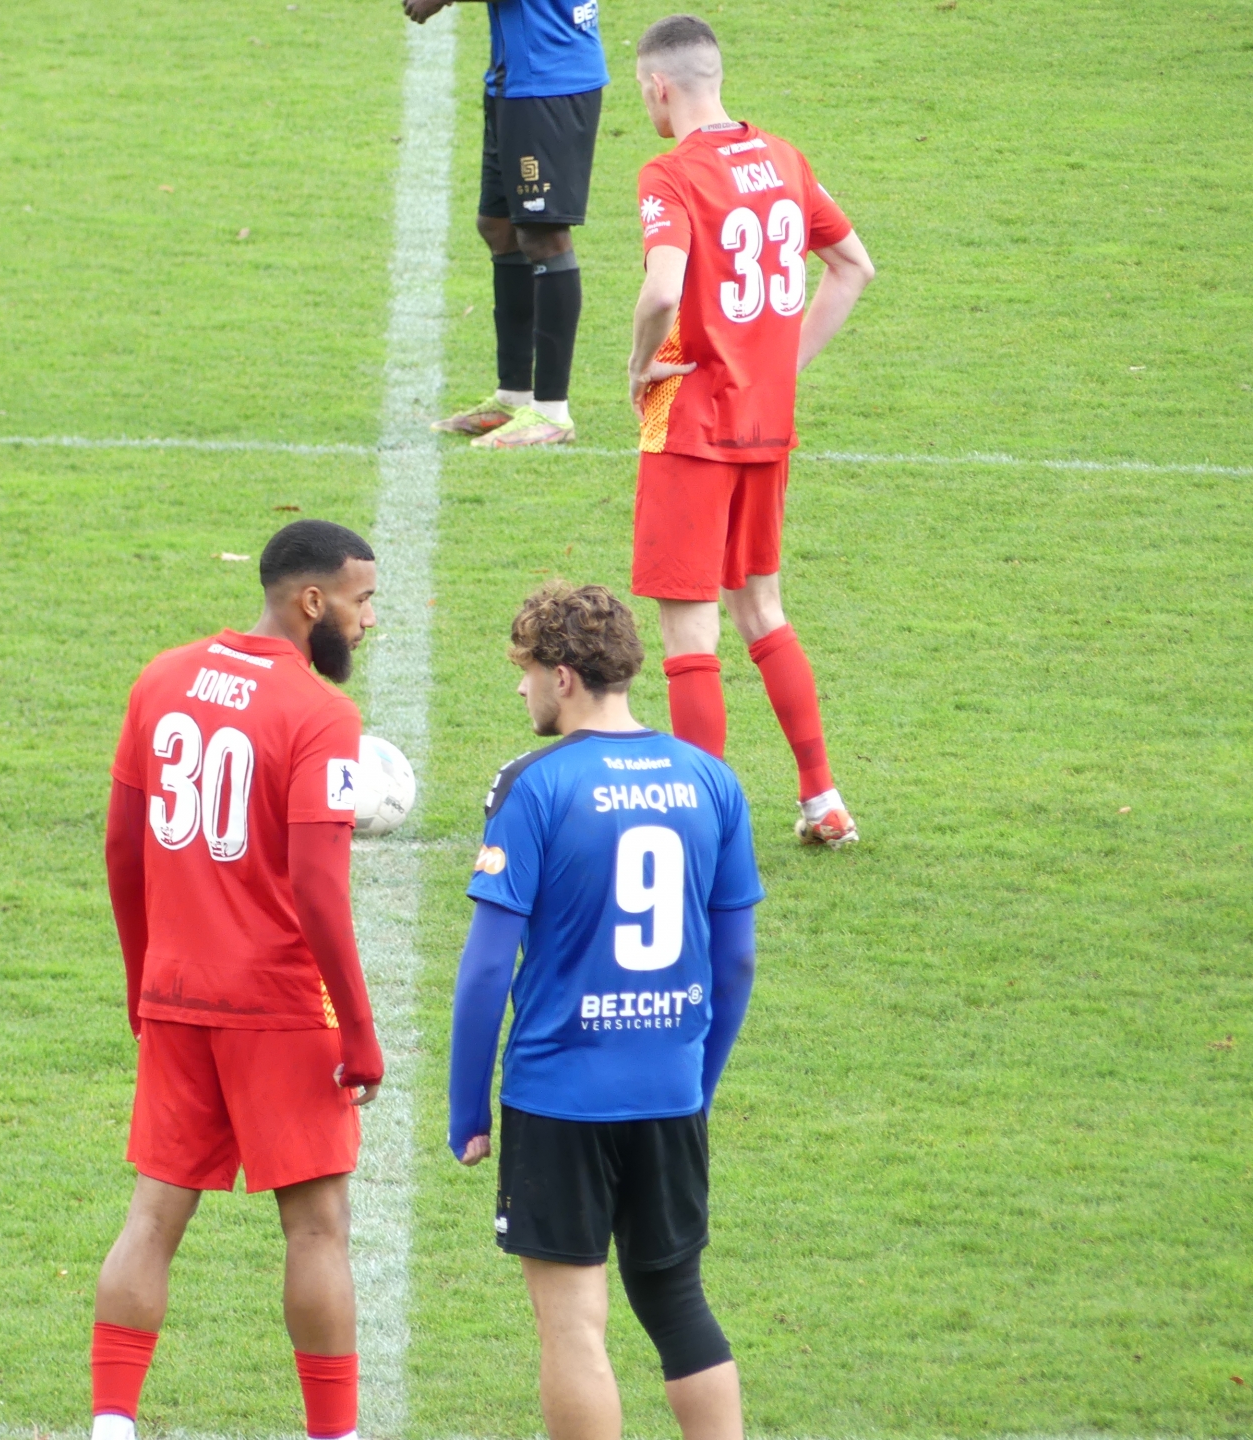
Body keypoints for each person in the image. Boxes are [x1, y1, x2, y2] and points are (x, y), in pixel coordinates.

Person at [91, 520, 387, 1440]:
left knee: (151, 1218)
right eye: (362, 601)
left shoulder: (162, 678)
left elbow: (122, 848)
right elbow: (317, 890)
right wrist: (359, 1033)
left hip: (177, 994)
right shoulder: (322, 715)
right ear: (312, 601)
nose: (368, 620)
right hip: (280, 1007)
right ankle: (333, 1435)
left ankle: (111, 1425)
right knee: (317, 1229)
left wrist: (143, 980)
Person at [449, 582, 762, 1440]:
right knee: (679, 1302)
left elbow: (486, 968)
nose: (521, 691)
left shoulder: (534, 784)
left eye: (524, 673)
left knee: (573, 1328)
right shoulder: (711, 779)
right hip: (669, 1093)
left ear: (563, 678)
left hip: (559, 1099)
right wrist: (697, 1082)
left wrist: (467, 1109)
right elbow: (736, 960)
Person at [624, 13, 876, 846]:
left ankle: (700, 826)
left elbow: (664, 290)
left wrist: (638, 366)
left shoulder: (669, 174)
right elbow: (854, 266)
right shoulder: (784, 159)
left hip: (691, 424)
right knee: (761, 607)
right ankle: (822, 798)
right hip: (765, 424)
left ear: (659, 87)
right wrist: (779, 366)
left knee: (689, 628)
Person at [405, 0, 608, 449]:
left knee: (543, 233)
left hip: (549, 78)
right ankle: (514, 395)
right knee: (497, 225)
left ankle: (552, 412)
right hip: (514, 79)